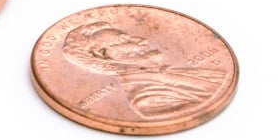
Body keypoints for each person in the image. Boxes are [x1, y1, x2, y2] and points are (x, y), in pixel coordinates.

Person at [62, 21, 229, 118]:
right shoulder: (148, 99)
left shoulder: (168, 74)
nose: (140, 40)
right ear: (103, 54)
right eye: (125, 40)